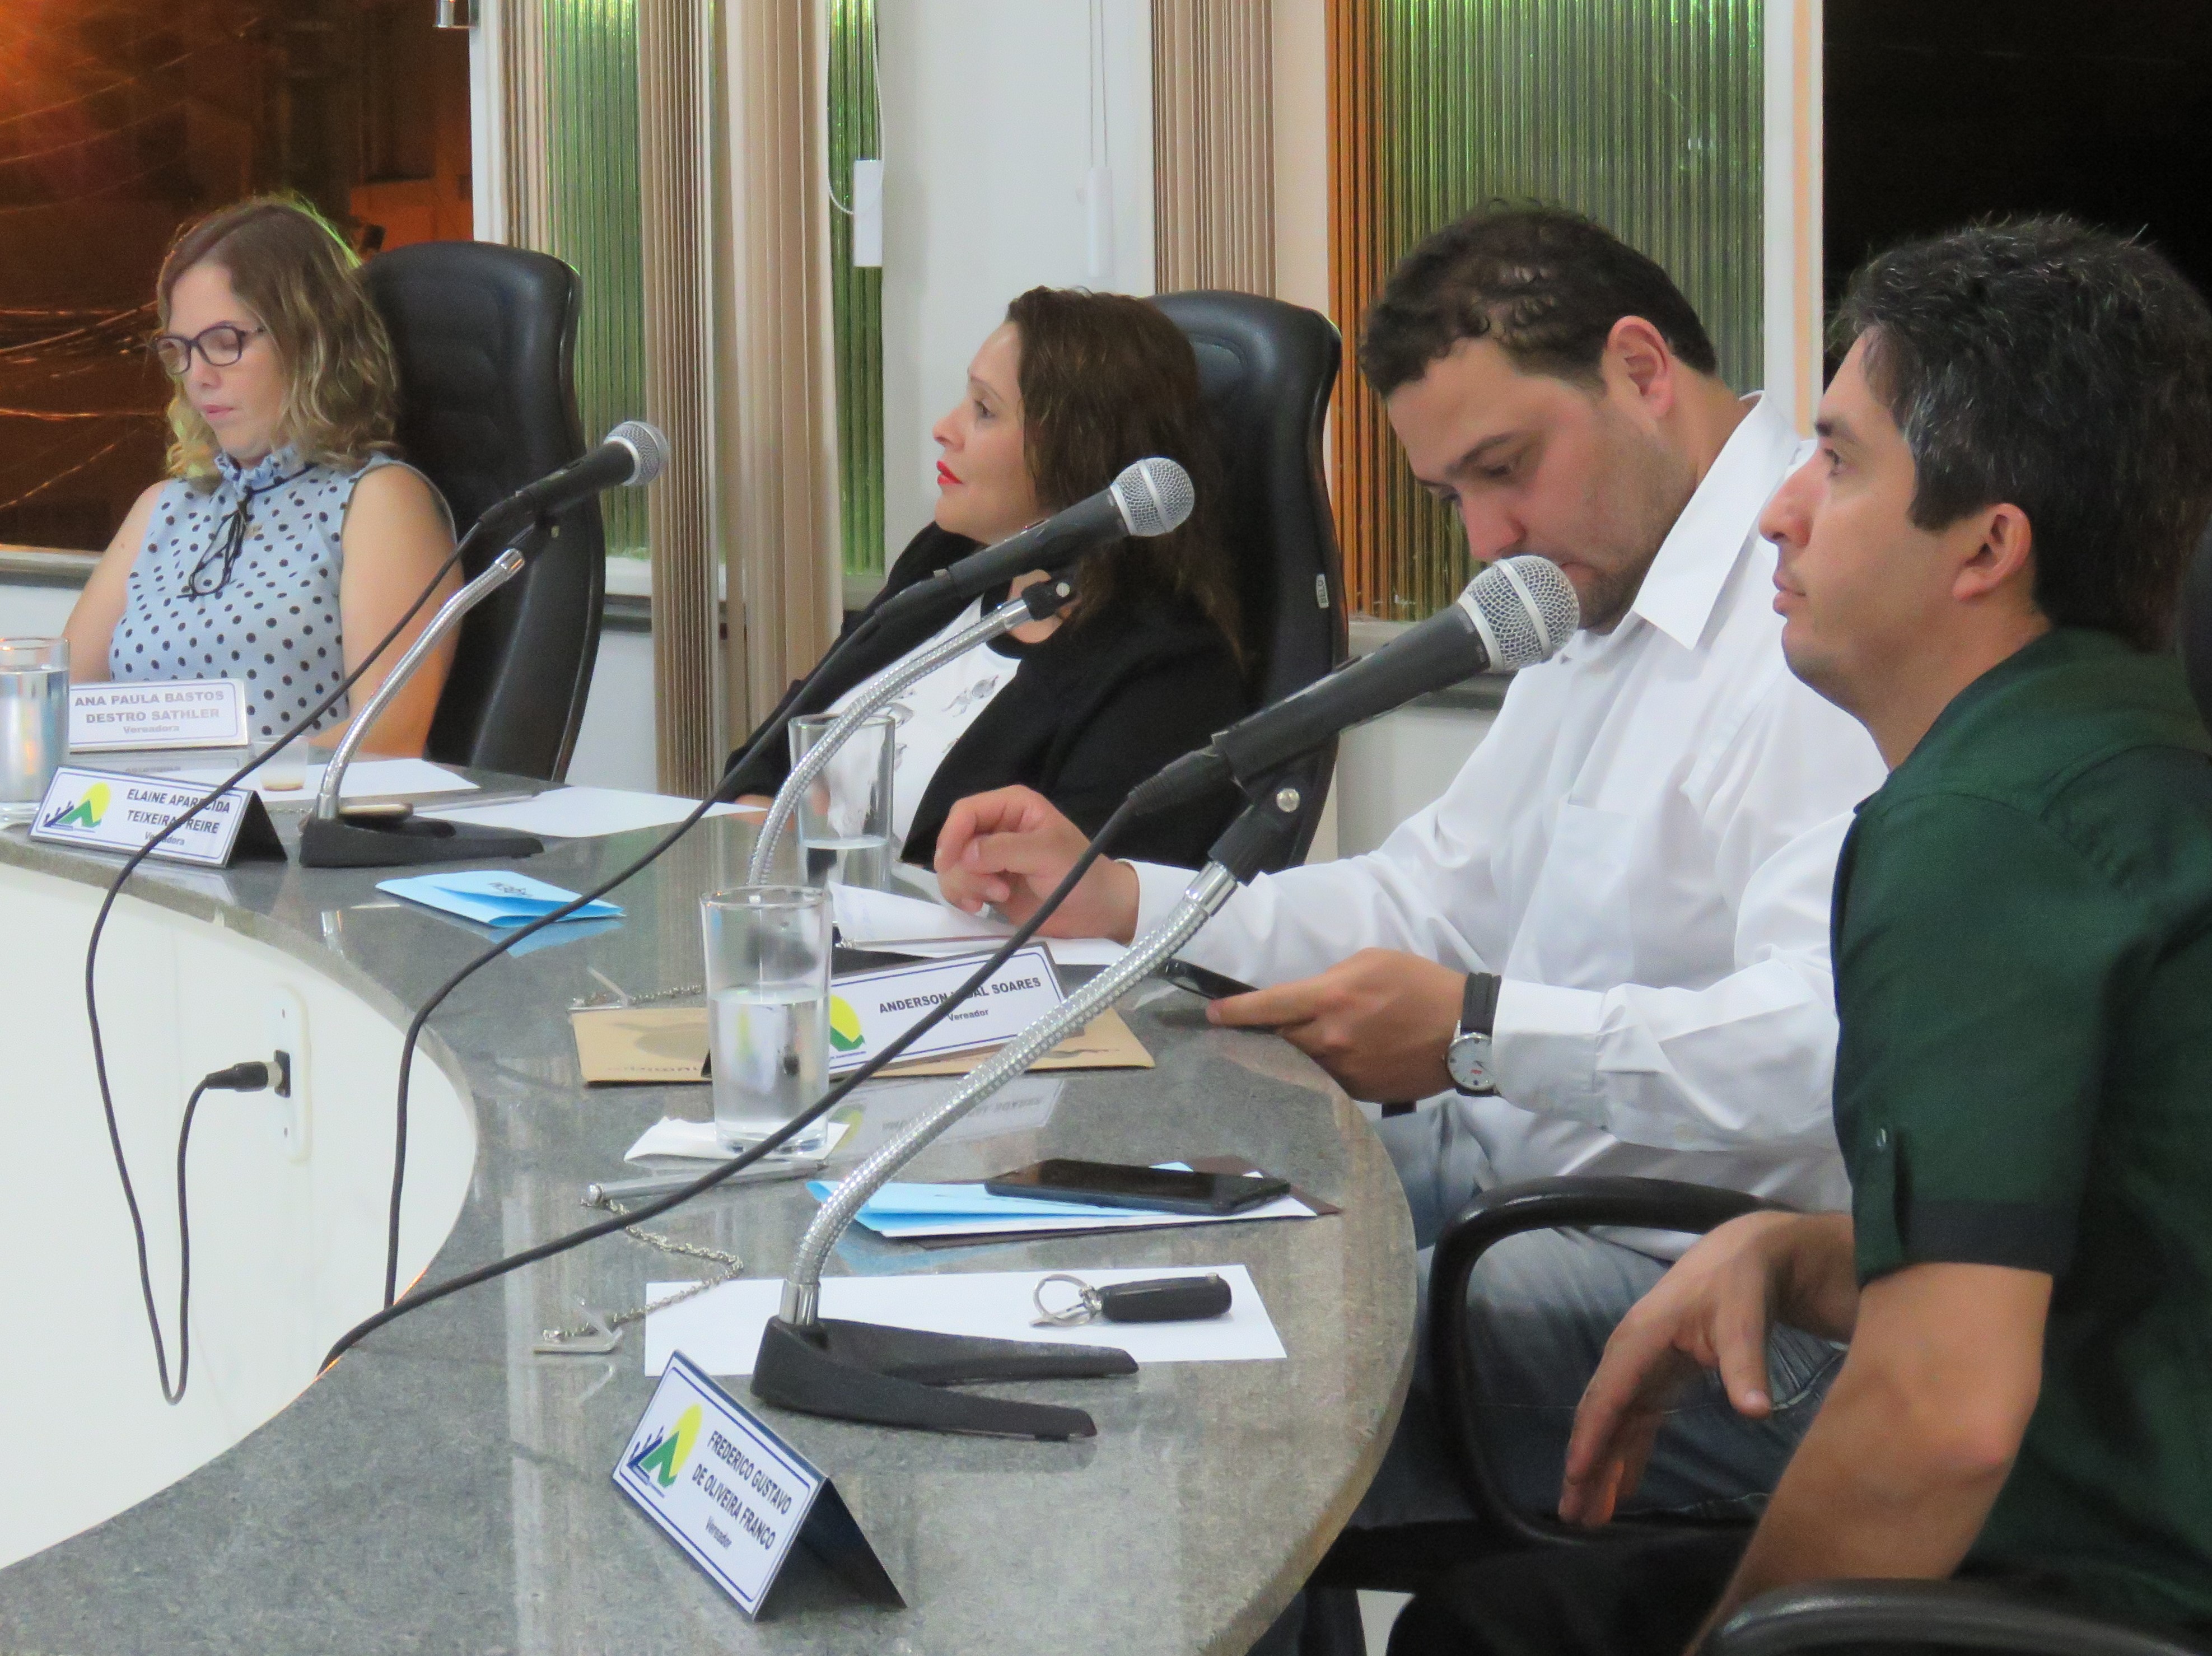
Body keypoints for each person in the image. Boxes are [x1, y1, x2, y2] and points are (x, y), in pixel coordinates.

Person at [937, 209, 1889, 1527]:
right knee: (1116, 1211)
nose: (1488, 539)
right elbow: (1431, 893)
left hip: (1696, 1267)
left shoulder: (1813, 617)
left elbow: (1820, 1051)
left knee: (1184, 1386)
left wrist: (1480, 1038)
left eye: (1506, 469)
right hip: (1514, 1174)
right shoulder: (1602, 591)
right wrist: (1130, 897)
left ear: (1640, 370)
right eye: (1452, 498)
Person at [1391, 217, 2212, 1655]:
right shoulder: (2126, 753)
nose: (1777, 510)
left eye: (1836, 462)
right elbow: (2110, 1251)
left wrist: (1741, 1642)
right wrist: (1798, 1251)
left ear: (1985, 548)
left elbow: (1941, 1416)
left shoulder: (1983, 830)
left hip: (2094, 1583)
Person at [721, 287, 1249, 869]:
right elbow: (757, 770)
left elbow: (1062, 906)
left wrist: (818, 852)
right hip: (796, 926)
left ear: (1079, 447)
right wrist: (792, 839)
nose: (944, 429)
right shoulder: (946, 560)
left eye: (984, 409)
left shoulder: (1165, 671)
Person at [63, 197, 457, 757]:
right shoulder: (165, 506)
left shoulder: (377, 499)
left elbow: (384, 740)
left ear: (309, 340)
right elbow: (55, 707)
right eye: (180, 350)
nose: (197, 378)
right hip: (143, 826)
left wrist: (213, 794)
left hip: (280, 831)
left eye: (224, 343)